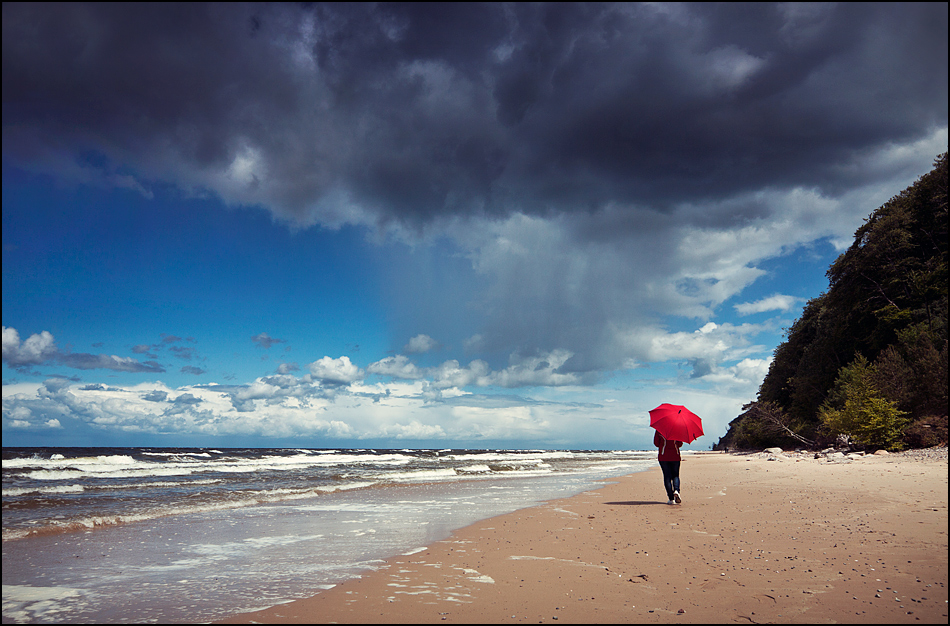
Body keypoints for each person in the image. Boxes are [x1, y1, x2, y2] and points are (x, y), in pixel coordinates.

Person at [654, 431, 683, 504]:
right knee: (675, 475)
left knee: (667, 477)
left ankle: (671, 498)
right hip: (675, 456)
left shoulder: (659, 429)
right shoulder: (677, 430)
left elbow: (656, 443)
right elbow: (680, 444)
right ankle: (676, 490)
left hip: (663, 457)